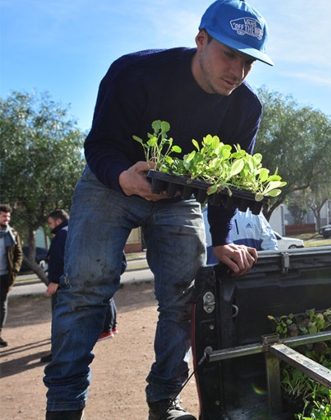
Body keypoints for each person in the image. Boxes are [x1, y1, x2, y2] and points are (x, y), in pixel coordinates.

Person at [43, 1, 273, 419]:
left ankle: (164, 399)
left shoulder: (246, 107)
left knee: (185, 298)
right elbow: (98, 146)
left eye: (248, 62)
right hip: (111, 183)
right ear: (200, 39)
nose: (237, 71)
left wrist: (219, 241)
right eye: (229, 54)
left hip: (178, 199)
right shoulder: (134, 73)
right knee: (88, 287)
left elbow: (227, 181)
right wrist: (122, 177)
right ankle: (63, 404)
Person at [40, 210, 123, 364]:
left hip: (65, 284)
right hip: (81, 281)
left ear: (57, 221)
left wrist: (54, 281)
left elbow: (60, 259)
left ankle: (59, 353)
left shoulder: (62, 234)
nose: (50, 227)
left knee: (62, 319)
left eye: (50, 223)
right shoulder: (77, 230)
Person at [0, 203, 23, 348]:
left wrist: (14, 270)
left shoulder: (12, 233)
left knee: (2, 306)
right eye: (3, 216)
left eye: (8, 216)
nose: (6, 218)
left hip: (4, 277)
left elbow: (19, 254)